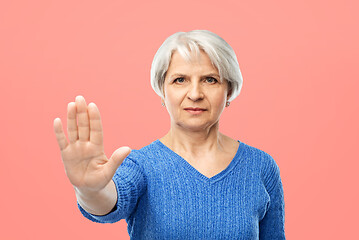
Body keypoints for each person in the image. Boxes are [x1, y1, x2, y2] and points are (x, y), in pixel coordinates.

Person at [53, 30, 286, 239]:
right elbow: (109, 201)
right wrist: (89, 191)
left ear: (229, 91)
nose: (195, 93)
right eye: (180, 80)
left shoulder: (261, 166)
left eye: (210, 80)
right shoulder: (141, 166)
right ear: (162, 91)